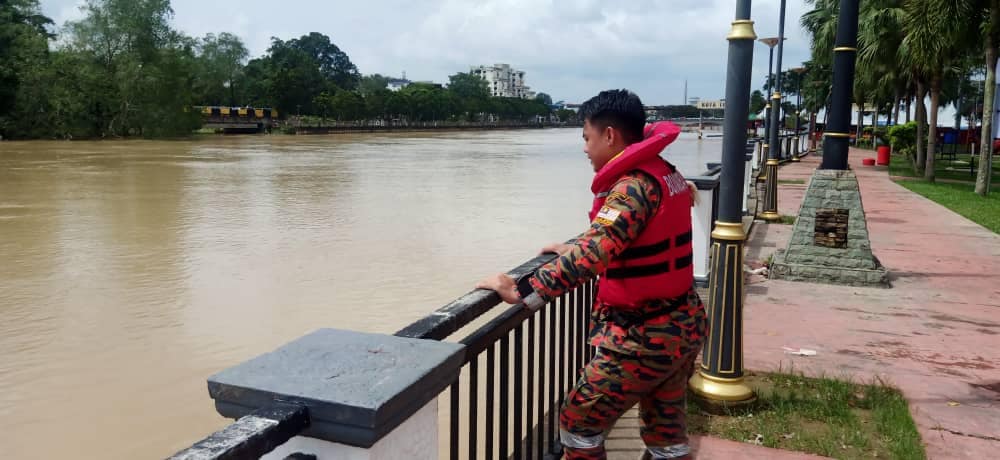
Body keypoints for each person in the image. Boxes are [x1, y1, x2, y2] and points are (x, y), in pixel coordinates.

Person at [476, 89, 706, 460]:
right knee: (666, 430)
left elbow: (594, 253)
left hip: (644, 337)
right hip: (683, 325)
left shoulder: (632, 186)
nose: (584, 147)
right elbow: (623, 240)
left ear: (610, 135)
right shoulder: (665, 172)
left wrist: (521, 289)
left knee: (578, 421)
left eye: (586, 137)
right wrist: (579, 245)